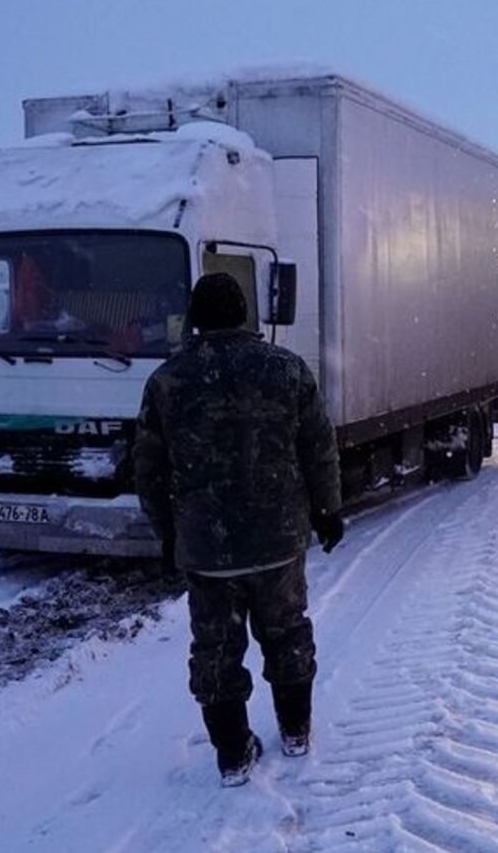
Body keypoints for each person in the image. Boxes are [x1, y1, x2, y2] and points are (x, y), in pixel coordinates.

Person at [133, 273, 344, 787]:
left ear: (196, 320)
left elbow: (148, 469)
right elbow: (318, 448)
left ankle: (233, 754)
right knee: (287, 632)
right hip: (279, 541)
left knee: (216, 649)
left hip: (207, 550)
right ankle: (295, 730)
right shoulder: (286, 370)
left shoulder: (167, 382)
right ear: (245, 315)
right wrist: (327, 512)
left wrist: (167, 534)